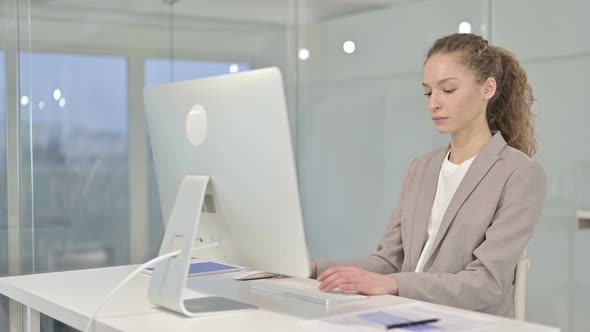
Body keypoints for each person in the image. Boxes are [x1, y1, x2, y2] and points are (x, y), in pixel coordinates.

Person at [310, 33, 546, 318]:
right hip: (404, 315)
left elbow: (486, 283)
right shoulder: (421, 168)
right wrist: (314, 269)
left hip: (465, 322)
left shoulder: (520, 174)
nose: (433, 103)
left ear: (488, 88)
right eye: (428, 92)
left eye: (448, 90)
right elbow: (389, 260)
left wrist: (392, 284)